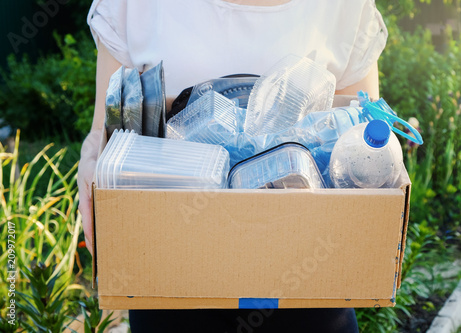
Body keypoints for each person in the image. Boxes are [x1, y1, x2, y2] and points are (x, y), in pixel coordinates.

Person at [78, 0, 388, 332]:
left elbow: (361, 145)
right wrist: (94, 163)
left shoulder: (346, 7)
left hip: (309, 291)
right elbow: (108, 131)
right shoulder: (132, 6)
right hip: (172, 286)